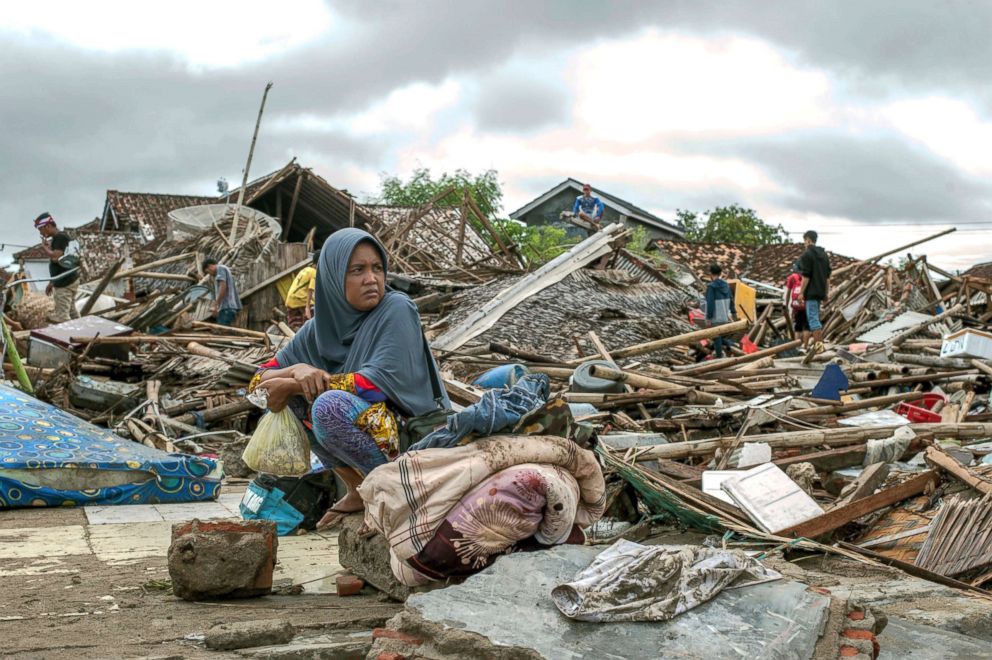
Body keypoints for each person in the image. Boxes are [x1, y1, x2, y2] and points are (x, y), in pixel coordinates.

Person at [248, 228, 450, 529]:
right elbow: (257, 386)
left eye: (377, 268)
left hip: (414, 433)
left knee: (328, 406)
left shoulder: (396, 309)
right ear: (333, 277)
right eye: (357, 270)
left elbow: (374, 386)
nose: (371, 279)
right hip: (372, 429)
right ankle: (357, 488)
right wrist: (295, 370)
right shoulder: (317, 329)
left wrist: (292, 383)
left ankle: (389, 491)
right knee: (290, 400)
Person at [34, 212, 80, 323]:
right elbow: (60, 264)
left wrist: (45, 248)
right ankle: (81, 331)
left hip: (64, 283)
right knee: (72, 312)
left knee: (62, 317)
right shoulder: (59, 237)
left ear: (47, 226)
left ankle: (70, 338)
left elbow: (56, 258)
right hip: (66, 279)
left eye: (41, 229)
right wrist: (52, 282)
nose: (41, 233)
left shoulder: (60, 237)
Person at [797, 230, 832, 354]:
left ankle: (819, 348)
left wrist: (801, 292)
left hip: (811, 293)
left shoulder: (807, 255)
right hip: (820, 292)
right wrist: (826, 293)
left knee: (813, 320)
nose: (804, 244)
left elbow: (806, 276)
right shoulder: (824, 255)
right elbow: (828, 277)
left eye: (805, 241)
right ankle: (819, 348)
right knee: (815, 319)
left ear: (808, 240)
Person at [705, 263, 737, 358]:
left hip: (715, 314)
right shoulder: (726, 285)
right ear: (720, 273)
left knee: (716, 336)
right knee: (718, 335)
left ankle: (719, 357)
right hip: (724, 314)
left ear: (711, 273)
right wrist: (734, 312)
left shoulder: (711, 287)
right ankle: (731, 345)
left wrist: (708, 317)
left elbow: (710, 303)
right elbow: (731, 299)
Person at [203, 258, 242, 326]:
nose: (209, 274)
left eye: (208, 271)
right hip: (226, 308)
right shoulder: (220, 272)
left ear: (210, 266)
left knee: (222, 332)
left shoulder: (220, 268)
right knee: (224, 332)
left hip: (227, 307)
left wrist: (216, 305)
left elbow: (223, 287)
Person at [284, 254, 318, 330]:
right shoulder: (314, 272)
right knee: (312, 319)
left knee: (294, 323)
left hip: (290, 300)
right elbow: (310, 289)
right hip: (300, 299)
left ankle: (294, 334)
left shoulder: (305, 269)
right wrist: (307, 308)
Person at [784, 264, 810, 350]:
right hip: (806, 305)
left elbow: (788, 293)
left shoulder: (792, 277)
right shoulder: (808, 277)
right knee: (807, 327)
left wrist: (787, 305)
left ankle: (796, 347)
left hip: (796, 306)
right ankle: (805, 347)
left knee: (798, 327)